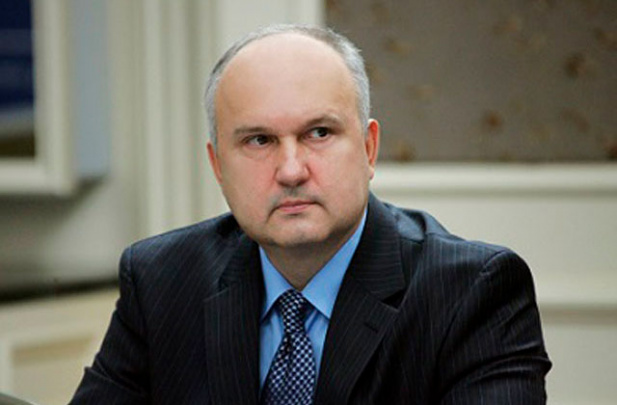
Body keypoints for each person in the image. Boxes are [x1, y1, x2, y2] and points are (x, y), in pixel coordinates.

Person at [70, 24, 551, 404]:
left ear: (369, 148)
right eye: (259, 140)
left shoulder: (473, 293)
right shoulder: (160, 280)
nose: (291, 170)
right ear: (217, 166)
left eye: (319, 133)